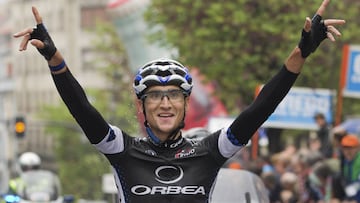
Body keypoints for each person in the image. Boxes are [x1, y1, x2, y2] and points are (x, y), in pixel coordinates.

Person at [13, 1, 345, 202]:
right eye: (155, 96)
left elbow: (261, 109)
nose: (165, 103)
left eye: (173, 95)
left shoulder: (211, 151)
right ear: (142, 106)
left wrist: (301, 52)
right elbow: (81, 108)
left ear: (185, 104)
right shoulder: (122, 151)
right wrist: (54, 58)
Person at [338, 134, 360, 202]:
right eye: (345, 148)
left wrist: (356, 200)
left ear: (358, 148)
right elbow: (346, 182)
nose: (347, 151)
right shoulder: (346, 162)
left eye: (350, 148)